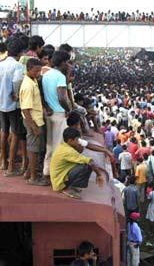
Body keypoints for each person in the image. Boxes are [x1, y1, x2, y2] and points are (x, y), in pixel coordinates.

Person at [50, 127, 105, 199]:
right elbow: (91, 162)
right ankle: (66, 189)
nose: (78, 142)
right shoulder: (68, 151)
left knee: (82, 163)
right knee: (86, 166)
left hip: (59, 177)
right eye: (76, 140)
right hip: (59, 183)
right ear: (70, 140)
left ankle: (70, 185)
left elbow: (81, 152)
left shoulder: (63, 145)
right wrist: (99, 175)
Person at [42, 51, 72, 181]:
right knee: (59, 145)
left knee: (50, 144)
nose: (69, 65)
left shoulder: (46, 74)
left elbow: (42, 94)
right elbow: (62, 97)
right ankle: (57, 176)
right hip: (59, 113)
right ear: (63, 63)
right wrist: (68, 108)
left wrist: (47, 106)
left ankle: (47, 172)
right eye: (68, 62)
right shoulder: (60, 77)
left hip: (49, 113)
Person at [19, 58, 48, 185]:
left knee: (35, 148)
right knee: (33, 149)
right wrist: (34, 126)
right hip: (33, 121)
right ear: (29, 69)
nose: (39, 73)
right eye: (36, 71)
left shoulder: (33, 80)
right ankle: (33, 178)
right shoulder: (28, 85)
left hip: (37, 119)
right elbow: (25, 109)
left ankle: (30, 173)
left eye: (40, 70)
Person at [0, 37, 24, 176]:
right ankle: (10, 167)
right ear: (20, 52)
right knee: (15, 133)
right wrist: (15, 94)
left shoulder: (1, 64)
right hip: (12, 104)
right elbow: (17, 81)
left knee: (4, 131)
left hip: (1, 102)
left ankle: (3, 162)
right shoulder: (17, 66)